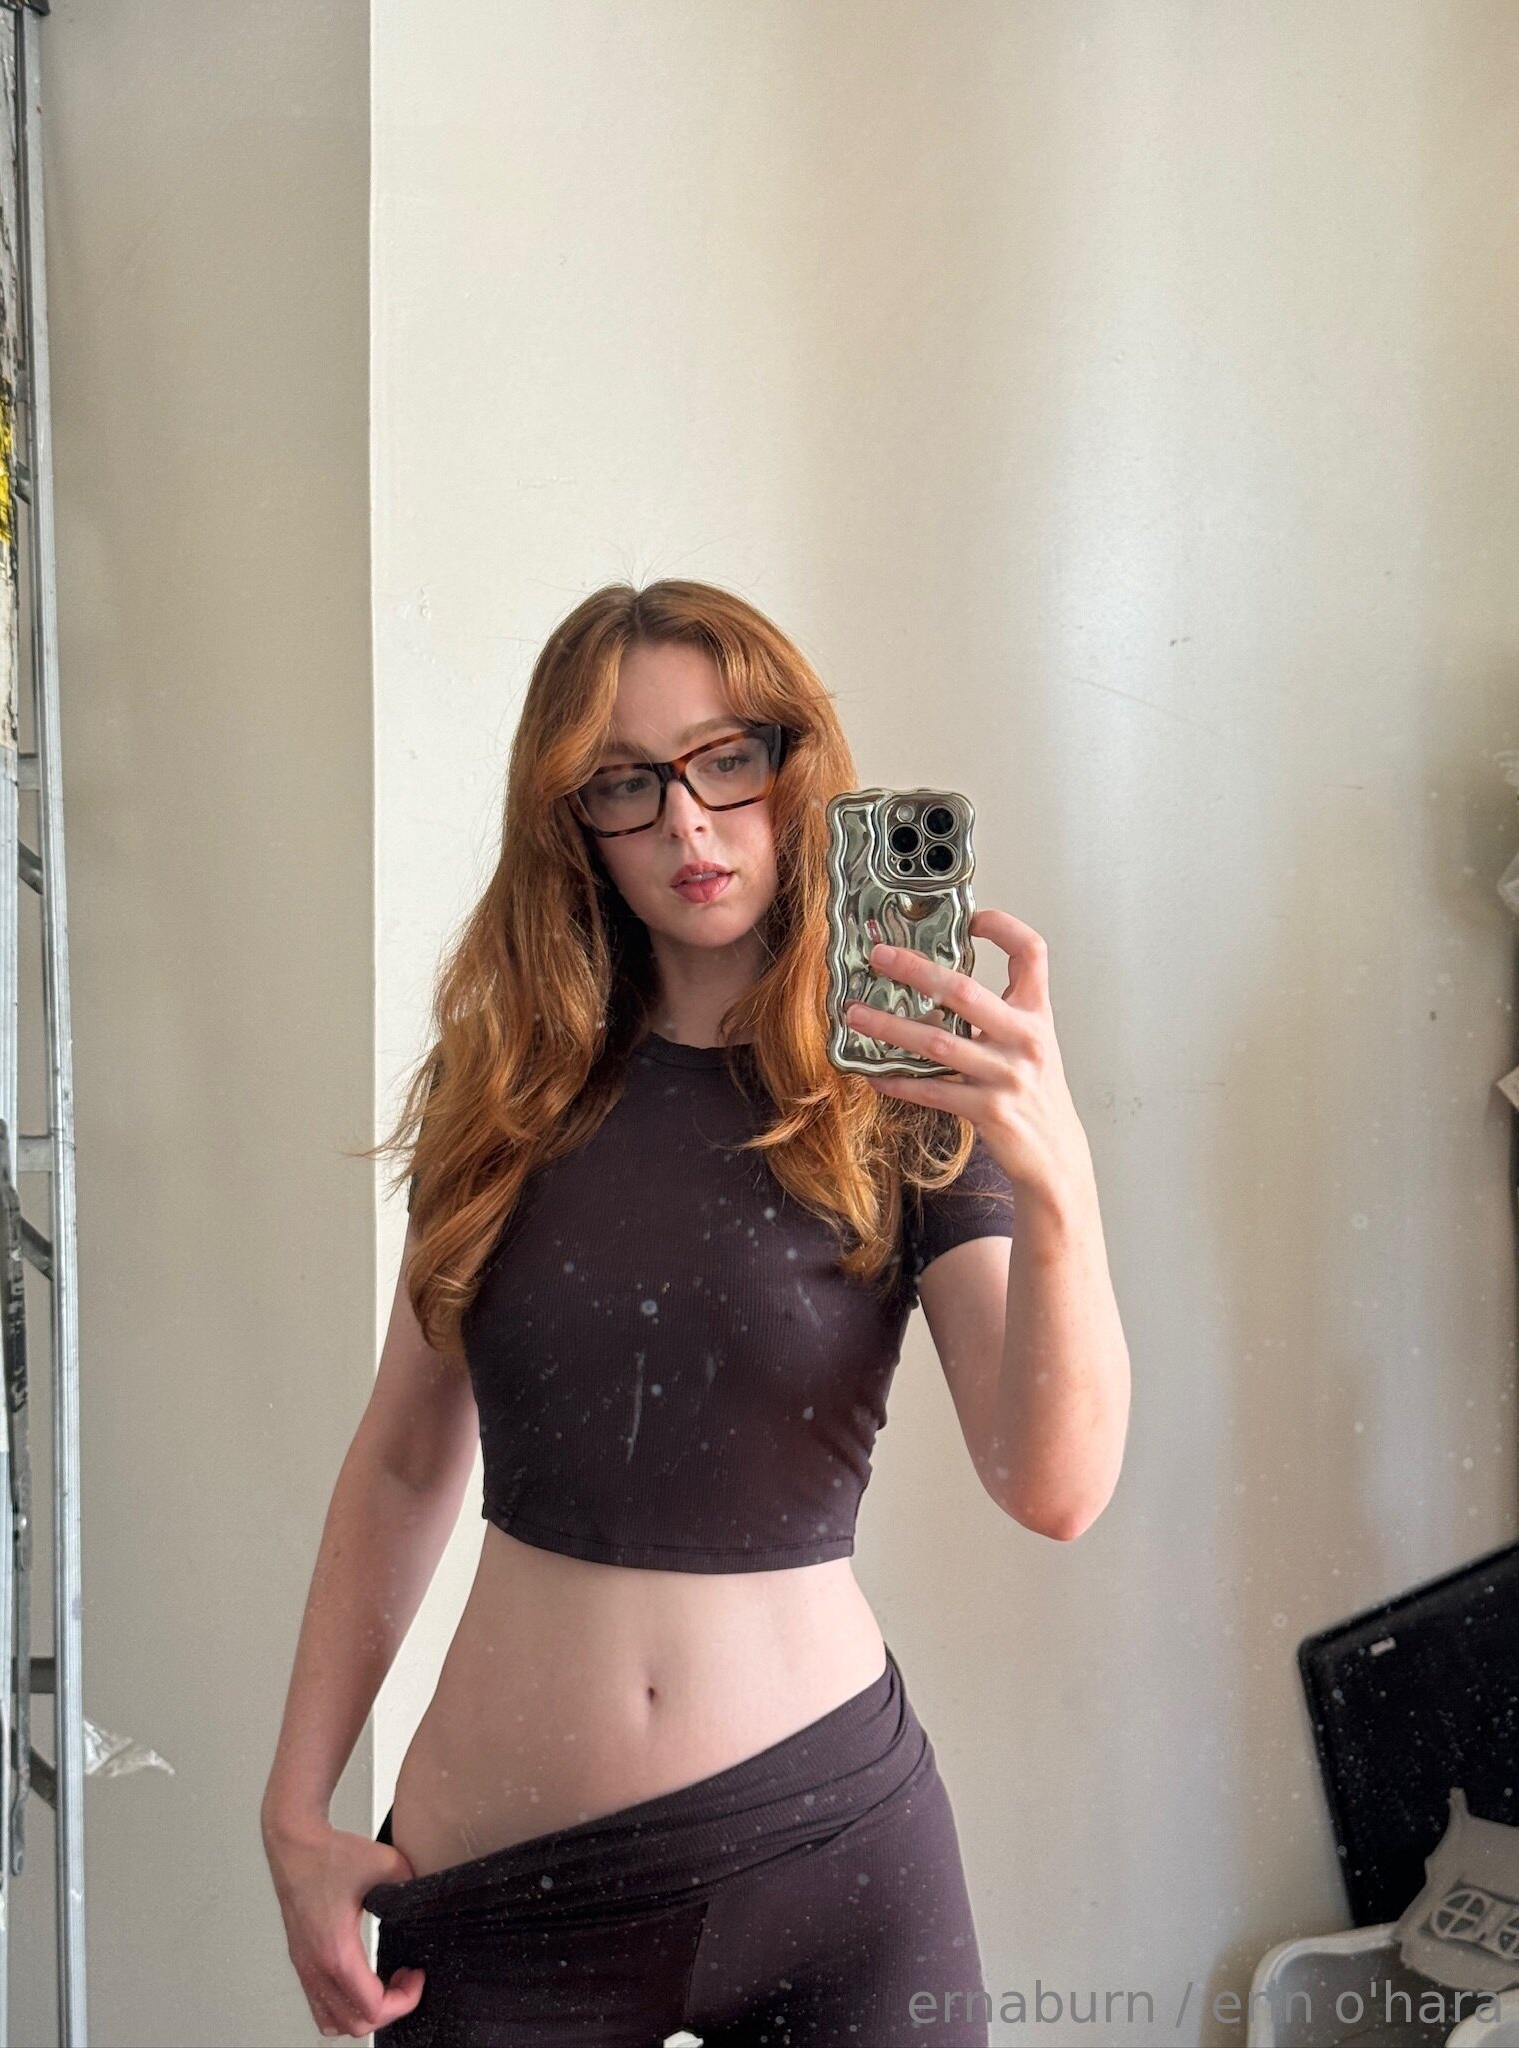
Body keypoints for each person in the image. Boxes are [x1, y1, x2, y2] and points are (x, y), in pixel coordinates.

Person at [261, 579, 1128, 2046]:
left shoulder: (908, 1095)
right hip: (508, 1885)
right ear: (572, 821)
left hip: (834, 1861)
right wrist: (295, 1809)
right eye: (625, 783)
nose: (687, 823)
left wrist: (1061, 1181)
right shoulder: (505, 1089)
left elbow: (1054, 1489)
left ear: (797, 763)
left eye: (728, 760)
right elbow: (405, 1457)